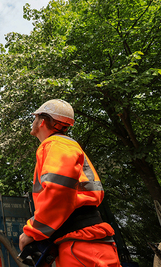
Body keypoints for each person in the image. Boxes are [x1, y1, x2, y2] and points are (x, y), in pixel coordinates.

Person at [19, 99, 121, 266]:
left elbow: (58, 192)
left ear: (42, 121)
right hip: (89, 243)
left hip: (81, 248)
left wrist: (32, 231)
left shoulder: (56, 145)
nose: (33, 122)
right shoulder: (65, 146)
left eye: (35, 117)